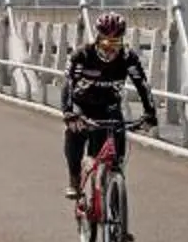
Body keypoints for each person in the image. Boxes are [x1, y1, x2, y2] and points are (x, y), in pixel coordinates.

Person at [61, 11, 157, 198]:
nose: (110, 50)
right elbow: (68, 84)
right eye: (106, 44)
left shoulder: (128, 57)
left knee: (116, 153)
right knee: (75, 134)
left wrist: (150, 113)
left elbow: (143, 86)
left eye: (115, 44)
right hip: (82, 105)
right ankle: (74, 179)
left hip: (108, 107)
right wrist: (68, 112)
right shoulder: (82, 55)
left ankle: (113, 187)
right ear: (98, 40)